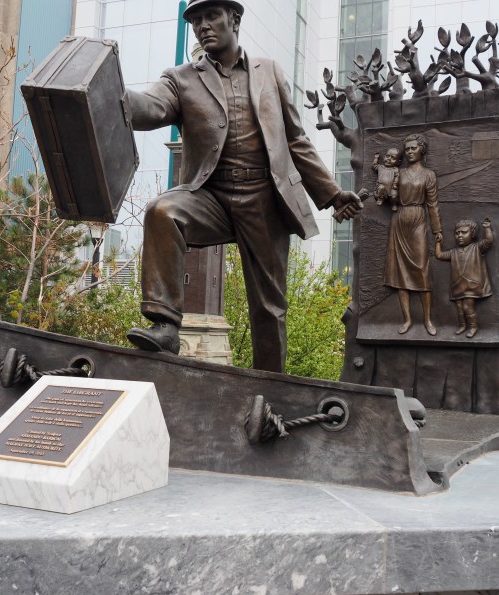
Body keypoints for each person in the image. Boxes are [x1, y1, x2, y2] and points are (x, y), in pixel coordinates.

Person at [124, 0, 362, 373]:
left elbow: (295, 140)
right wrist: (111, 94)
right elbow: (150, 107)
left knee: (269, 306)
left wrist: (331, 194)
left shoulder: (270, 71)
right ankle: (166, 325)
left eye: (211, 16)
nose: (202, 25)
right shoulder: (180, 78)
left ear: (234, 19)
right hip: (210, 195)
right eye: (196, 20)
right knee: (163, 211)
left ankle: (269, 386)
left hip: (263, 198)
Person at [383, 133, 442, 335]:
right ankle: (407, 319)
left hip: (418, 219)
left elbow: (432, 205)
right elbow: (388, 194)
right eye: (406, 149)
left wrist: (437, 230)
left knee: (422, 271)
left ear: (421, 150)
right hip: (399, 220)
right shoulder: (398, 173)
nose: (409, 152)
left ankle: (428, 320)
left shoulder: (429, 175)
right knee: (400, 273)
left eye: (413, 148)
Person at [435, 218, 494, 338]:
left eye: (464, 232)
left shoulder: (477, 247)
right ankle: (462, 326)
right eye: (457, 233)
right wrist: (438, 243)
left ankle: (473, 327)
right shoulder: (453, 252)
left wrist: (487, 228)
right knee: (459, 308)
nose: (460, 236)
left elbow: (489, 241)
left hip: (472, 286)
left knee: (467, 307)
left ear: (472, 234)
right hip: (457, 285)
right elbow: (439, 255)